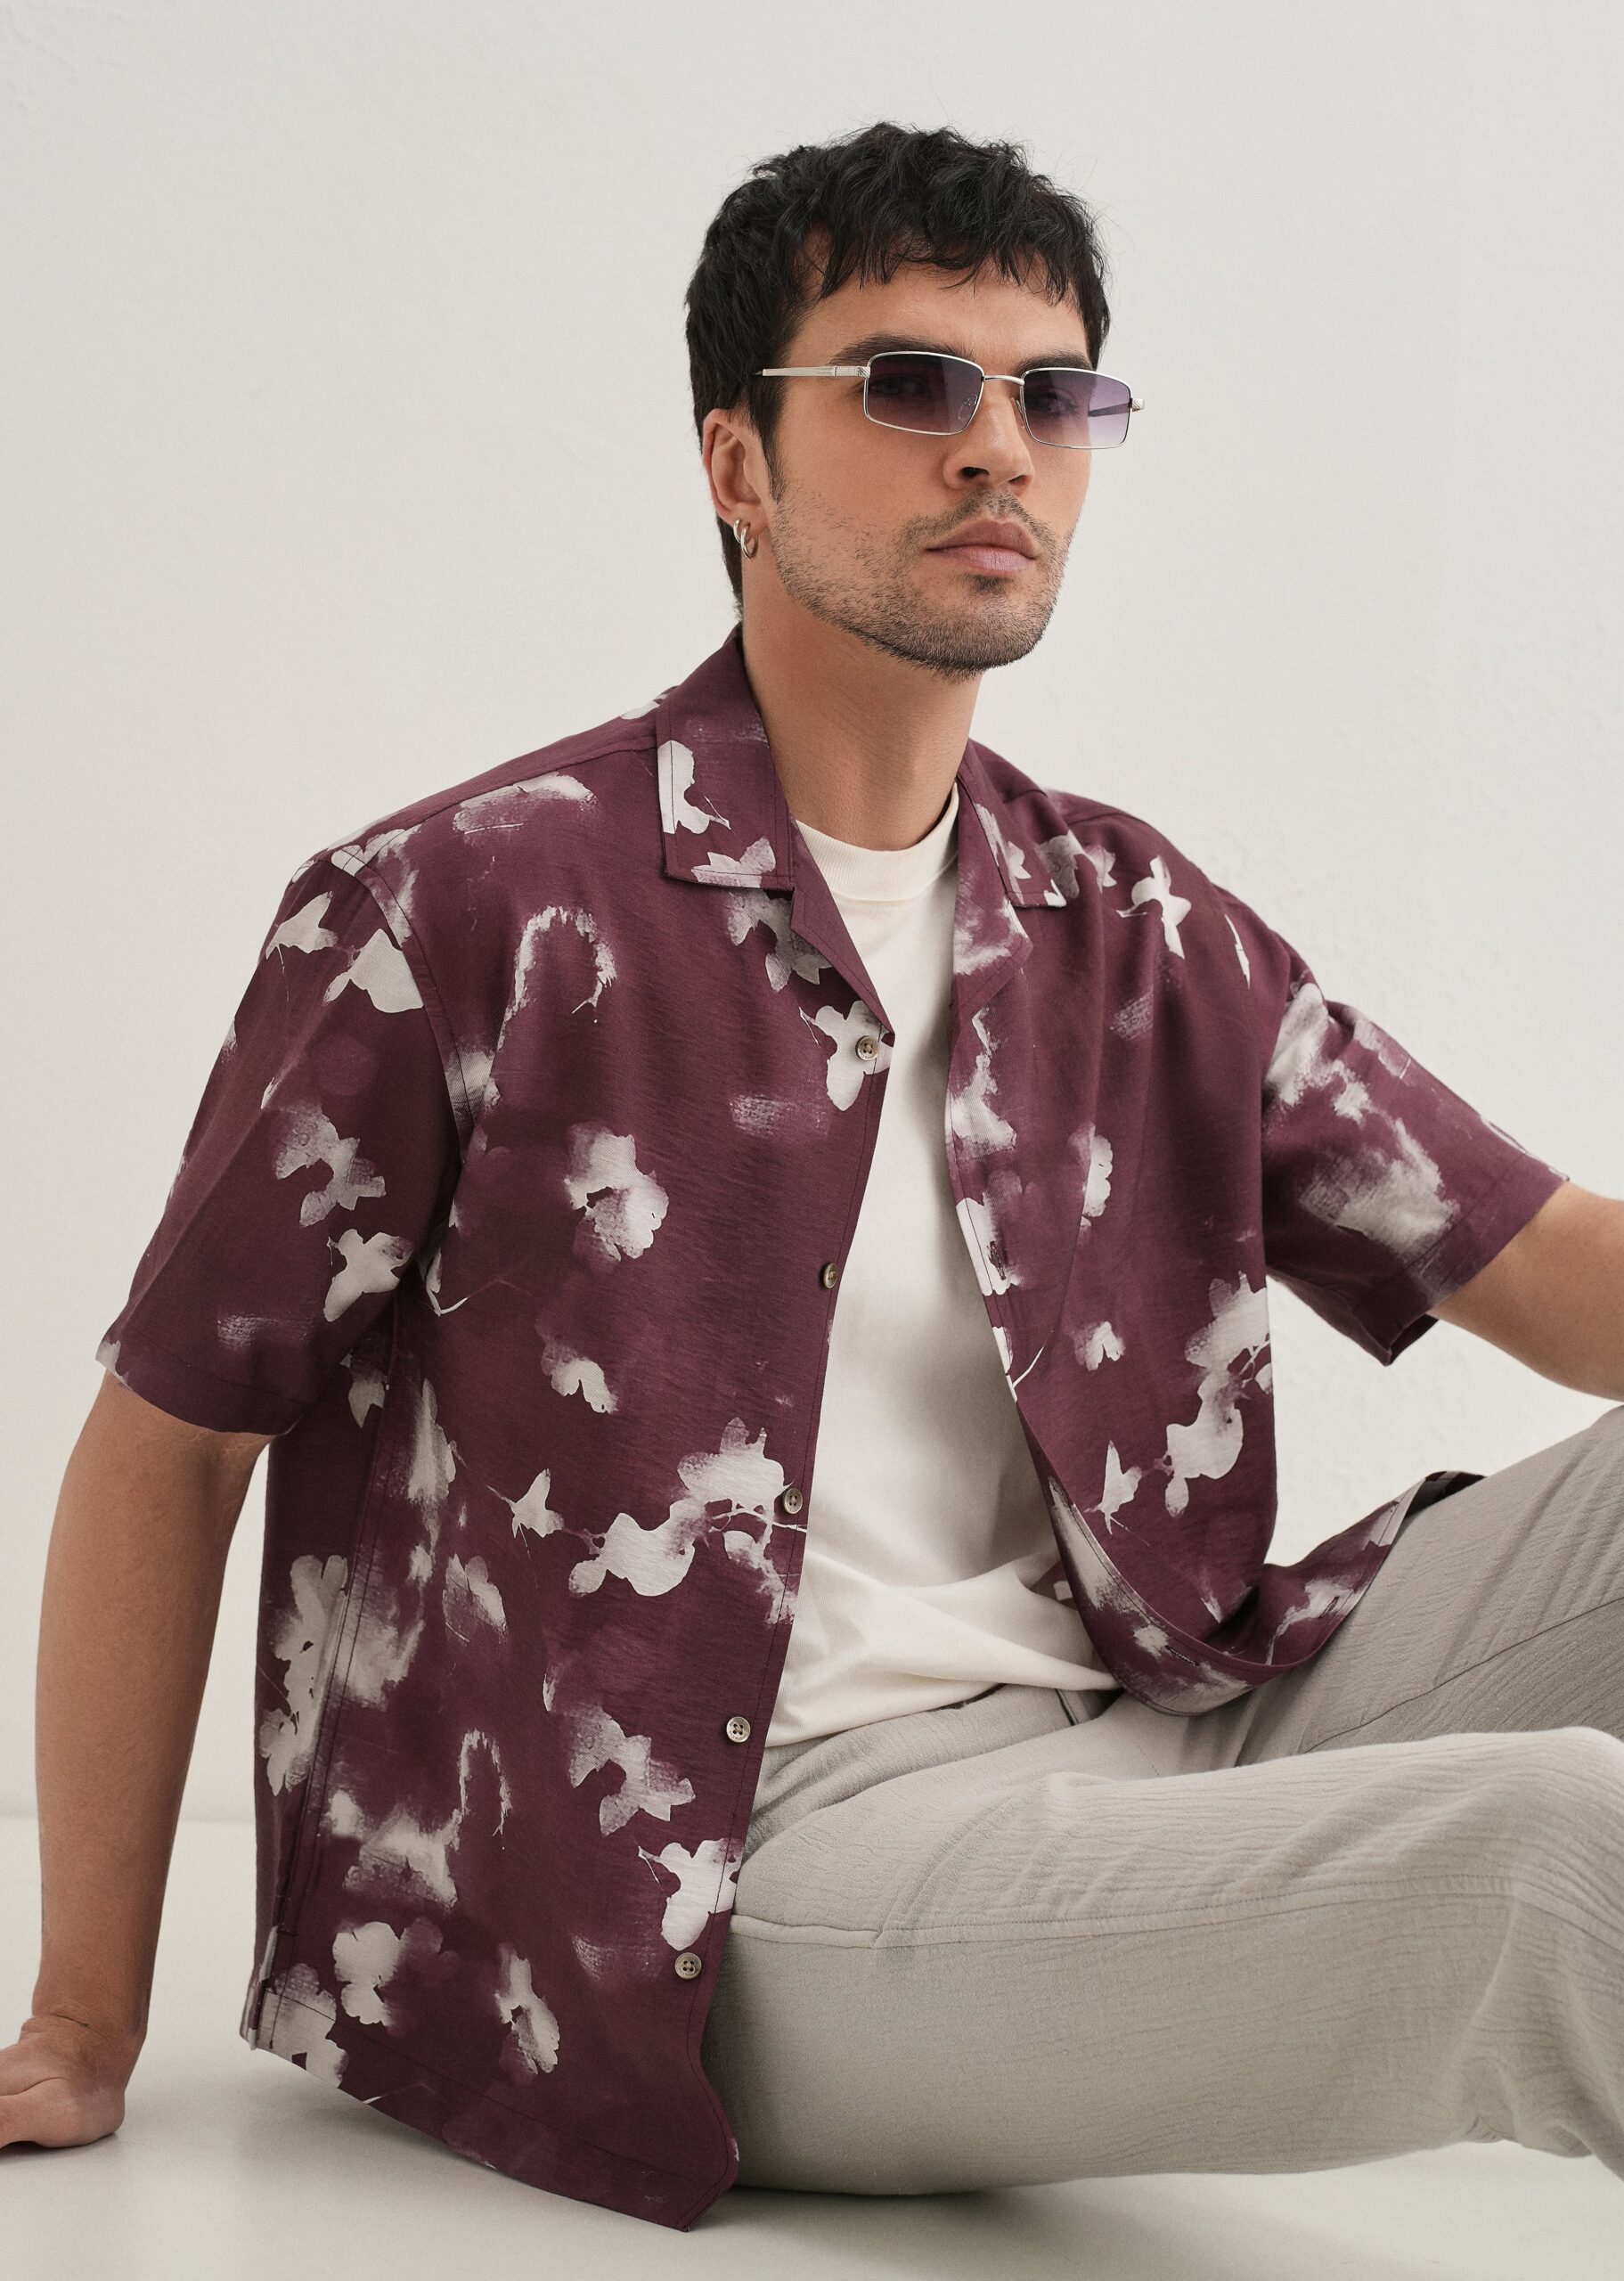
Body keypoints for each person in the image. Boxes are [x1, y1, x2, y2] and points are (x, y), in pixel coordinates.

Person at [6, 118, 1623, 2230]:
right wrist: (82, 2014)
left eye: (1052, 394)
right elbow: (172, 1437)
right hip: (737, 1892)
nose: (999, 447)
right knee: (1561, 1858)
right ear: (736, 465)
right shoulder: (466, 910)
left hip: (1158, 1719)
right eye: (909, 384)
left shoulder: (1130, 923)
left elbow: (1551, 1262)